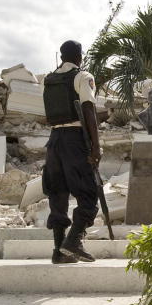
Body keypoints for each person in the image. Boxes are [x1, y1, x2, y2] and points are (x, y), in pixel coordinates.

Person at [42, 40, 101, 264]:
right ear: (80, 56)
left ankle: (59, 251)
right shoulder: (82, 76)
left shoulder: (49, 80)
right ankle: (74, 241)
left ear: (60, 56)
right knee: (88, 193)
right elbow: (88, 109)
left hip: (54, 141)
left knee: (58, 195)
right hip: (75, 141)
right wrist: (96, 146)